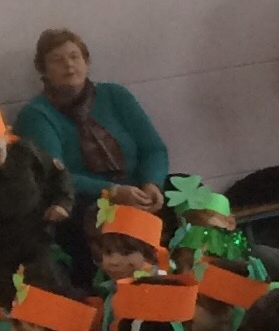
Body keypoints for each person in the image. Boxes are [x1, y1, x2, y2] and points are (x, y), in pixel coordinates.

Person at [12, 28, 168, 222]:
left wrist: (152, 183)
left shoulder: (115, 95)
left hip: (139, 192)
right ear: (43, 70)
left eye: (74, 56)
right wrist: (112, 192)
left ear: (86, 61)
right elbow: (53, 176)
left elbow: (153, 149)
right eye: (57, 60)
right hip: (84, 205)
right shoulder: (37, 114)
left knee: (193, 202)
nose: (68, 65)